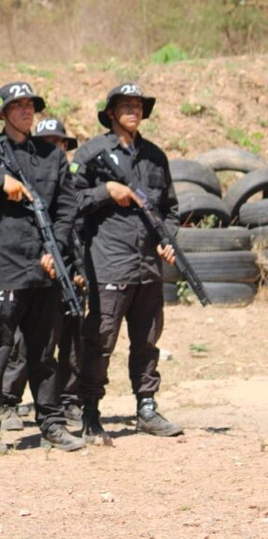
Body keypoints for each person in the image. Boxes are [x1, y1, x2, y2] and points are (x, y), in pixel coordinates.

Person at [0, 82, 85, 455]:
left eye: (31, 105)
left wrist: (55, 249)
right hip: (2, 267)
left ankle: (51, 424)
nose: (27, 111)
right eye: (18, 105)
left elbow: (66, 208)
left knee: (43, 352)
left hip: (44, 269)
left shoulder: (52, 155)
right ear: (3, 112)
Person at [69, 83, 182, 443]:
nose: (134, 110)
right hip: (109, 262)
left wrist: (168, 240)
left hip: (148, 265)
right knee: (100, 341)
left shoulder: (155, 156)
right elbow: (69, 203)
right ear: (111, 112)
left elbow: (170, 210)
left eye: (139, 105)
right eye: (126, 105)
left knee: (147, 340)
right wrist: (105, 192)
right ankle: (89, 411)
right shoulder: (91, 153)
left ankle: (146, 407)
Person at [33, 117, 85, 425]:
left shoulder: (75, 180)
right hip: (40, 268)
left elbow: (81, 231)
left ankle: (69, 399)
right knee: (33, 342)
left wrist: (80, 270)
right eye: (46, 142)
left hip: (71, 270)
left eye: (58, 142)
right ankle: (12, 400)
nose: (53, 147)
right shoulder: (32, 177)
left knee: (73, 341)